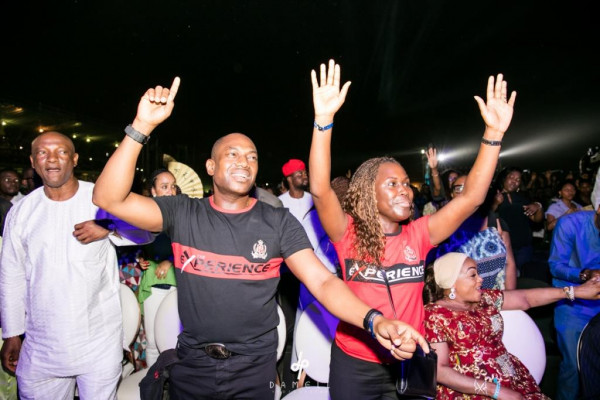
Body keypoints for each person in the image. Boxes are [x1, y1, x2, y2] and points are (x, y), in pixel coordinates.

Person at [92, 77, 425, 399]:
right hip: (193, 364)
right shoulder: (183, 212)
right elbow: (109, 199)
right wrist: (142, 126)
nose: (244, 162)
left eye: (252, 156)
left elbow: (323, 282)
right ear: (210, 166)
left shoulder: (277, 221)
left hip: (253, 370)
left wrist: (374, 320)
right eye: (233, 154)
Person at [308, 59, 516, 399]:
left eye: (406, 183)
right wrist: (323, 121)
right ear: (366, 193)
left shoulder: (420, 233)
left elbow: (472, 198)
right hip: (355, 362)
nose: (404, 190)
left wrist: (493, 135)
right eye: (391, 184)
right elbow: (319, 188)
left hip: (411, 359)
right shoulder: (347, 233)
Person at [0, 132, 125, 399]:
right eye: (43, 153)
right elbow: (11, 274)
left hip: (97, 342)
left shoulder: (102, 199)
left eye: (62, 151)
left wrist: (109, 228)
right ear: (33, 162)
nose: (52, 159)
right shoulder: (22, 211)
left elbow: (148, 230)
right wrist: (11, 334)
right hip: (41, 346)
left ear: (75, 159)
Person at [422, 252, 600, 399]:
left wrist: (575, 291)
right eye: (473, 275)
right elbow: (440, 370)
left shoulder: (485, 299)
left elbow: (526, 298)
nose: (481, 279)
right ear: (450, 283)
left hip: (513, 381)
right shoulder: (435, 314)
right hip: (472, 392)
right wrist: (496, 391)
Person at [429, 173, 518, 290]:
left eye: (469, 187)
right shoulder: (442, 227)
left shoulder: (495, 223)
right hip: (460, 300)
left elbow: (509, 264)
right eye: (459, 188)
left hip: (496, 298)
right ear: (451, 194)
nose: (464, 192)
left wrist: (510, 297)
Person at [548, 200, 600, 400]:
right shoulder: (570, 224)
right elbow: (555, 266)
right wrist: (585, 274)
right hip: (572, 303)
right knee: (574, 366)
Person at [137, 168, 178, 368]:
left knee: (175, 341)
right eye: (164, 187)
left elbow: (191, 248)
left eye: (172, 186)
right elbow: (141, 246)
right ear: (153, 191)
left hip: (178, 285)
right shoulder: (143, 215)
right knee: (153, 342)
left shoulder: (183, 215)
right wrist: (140, 259)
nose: (170, 191)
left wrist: (170, 259)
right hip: (154, 284)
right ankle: (151, 386)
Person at [494, 167, 544, 272]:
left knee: (523, 276)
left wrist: (538, 207)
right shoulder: (492, 196)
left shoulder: (522, 198)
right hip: (502, 246)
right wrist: (495, 203)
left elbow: (536, 220)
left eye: (518, 179)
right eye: (511, 177)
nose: (514, 181)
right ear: (504, 179)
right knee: (505, 278)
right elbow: (486, 216)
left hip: (523, 247)